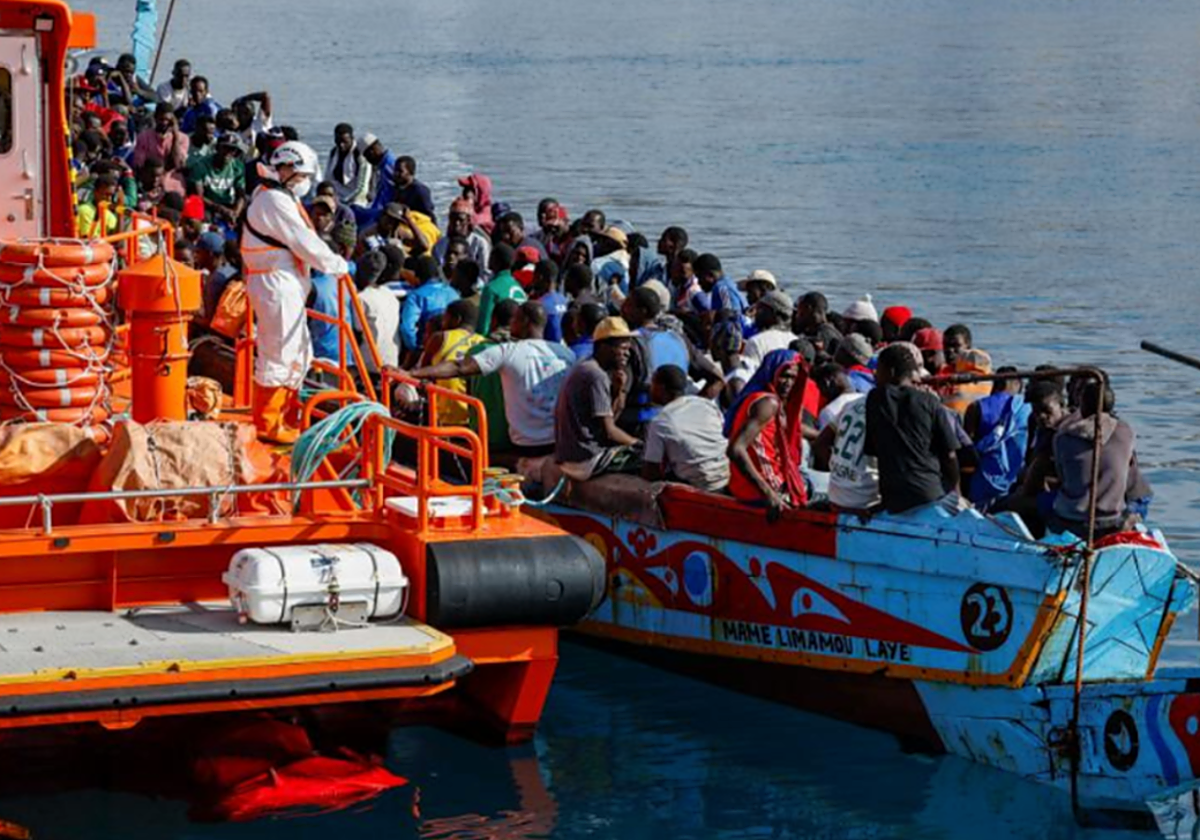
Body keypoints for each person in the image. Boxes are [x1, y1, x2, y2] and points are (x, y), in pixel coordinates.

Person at [241, 140, 348, 444]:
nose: (304, 184)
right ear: (286, 169)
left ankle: (285, 416)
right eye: (301, 177)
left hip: (284, 284)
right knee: (279, 353)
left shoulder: (278, 196)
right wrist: (336, 264)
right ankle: (267, 422)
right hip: (276, 285)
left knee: (299, 352)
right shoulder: (273, 200)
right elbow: (304, 241)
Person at [409, 302, 574, 456]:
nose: (511, 325)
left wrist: (412, 374)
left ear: (524, 321)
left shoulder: (509, 351)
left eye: (514, 319)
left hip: (525, 446)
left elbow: (459, 367)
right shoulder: (566, 354)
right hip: (558, 443)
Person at [864, 343, 961, 514]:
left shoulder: (874, 399)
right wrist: (953, 491)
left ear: (891, 372)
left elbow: (877, 453)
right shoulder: (930, 402)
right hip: (930, 495)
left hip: (893, 500)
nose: (874, 374)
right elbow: (950, 456)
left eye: (878, 370)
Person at [1050, 382, 1151, 538]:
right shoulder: (1126, 431)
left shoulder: (1063, 436)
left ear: (1082, 405)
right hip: (1114, 518)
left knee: (1040, 502)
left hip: (1073, 520)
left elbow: (1062, 476)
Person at [619, 287, 724, 431]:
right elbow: (717, 379)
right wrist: (693, 408)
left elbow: (619, 394)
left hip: (640, 425)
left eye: (628, 304)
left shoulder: (630, 344)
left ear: (642, 311)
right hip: (677, 421)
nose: (622, 308)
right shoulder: (678, 338)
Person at [555, 317, 641, 481]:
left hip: (574, 456)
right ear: (603, 347)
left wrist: (618, 390)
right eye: (622, 348)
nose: (627, 354)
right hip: (586, 459)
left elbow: (610, 421)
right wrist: (638, 444)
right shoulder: (595, 375)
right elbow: (610, 432)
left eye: (628, 349)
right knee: (648, 460)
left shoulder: (587, 367)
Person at [724, 349, 809, 516]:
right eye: (784, 376)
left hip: (750, 484)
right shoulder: (768, 402)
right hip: (761, 489)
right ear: (772, 372)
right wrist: (769, 493)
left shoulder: (766, 399)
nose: (788, 383)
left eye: (793, 378)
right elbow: (735, 449)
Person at [642, 364, 730, 492]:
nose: (650, 388)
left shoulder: (661, 422)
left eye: (653, 383)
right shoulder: (706, 404)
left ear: (661, 388)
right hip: (727, 476)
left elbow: (650, 473)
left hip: (700, 487)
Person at [963, 368, 1031, 511]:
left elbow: (967, 447)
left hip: (983, 478)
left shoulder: (976, 407)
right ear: (1017, 384)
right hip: (1014, 477)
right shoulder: (1027, 408)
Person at [418, 300, 486, 427]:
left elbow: (425, 370)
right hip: (475, 415)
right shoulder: (483, 341)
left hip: (447, 415)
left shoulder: (440, 337)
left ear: (457, 319)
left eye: (445, 318)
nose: (443, 322)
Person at [399, 254, 459, 358]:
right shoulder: (453, 293)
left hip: (428, 349)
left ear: (417, 276)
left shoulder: (417, 296)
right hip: (452, 348)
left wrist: (415, 348)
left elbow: (407, 328)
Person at [353, 250, 401, 372]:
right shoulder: (390, 294)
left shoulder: (361, 298)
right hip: (392, 361)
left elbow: (356, 334)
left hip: (370, 365)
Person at [187, 133, 246, 225]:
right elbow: (199, 196)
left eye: (232, 150)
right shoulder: (201, 165)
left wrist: (235, 213)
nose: (228, 153)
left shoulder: (238, 166)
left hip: (228, 205)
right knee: (199, 213)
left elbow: (241, 195)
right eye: (225, 148)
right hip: (208, 205)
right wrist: (220, 209)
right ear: (217, 148)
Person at [132, 103, 189, 193]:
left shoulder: (183, 139)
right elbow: (139, 165)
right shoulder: (144, 137)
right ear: (155, 117)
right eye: (161, 119)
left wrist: (175, 137)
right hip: (150, 183)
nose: (164, 123)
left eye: (167, 120)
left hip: (173, 184)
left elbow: (176, 163)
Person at [741, 290, 798, 376]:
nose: (755, 314)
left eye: (760, 309)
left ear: (773, 314)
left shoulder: (756, 343)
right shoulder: (795, 340)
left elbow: (748, 377)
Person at [476, 244, 528, 337]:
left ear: (496, 260)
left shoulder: (491, 288)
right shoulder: (519, 288)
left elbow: (483, 326)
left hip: (497, 340)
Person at [433, 198, 492, 280]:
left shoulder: (479, 243)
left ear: (468, 221)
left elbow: (484, 272)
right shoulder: (441, 244)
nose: (457, 223)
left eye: (461, 220)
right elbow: (437, 270)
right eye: (453, 219)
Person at [693, 253, 745, 326]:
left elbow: (730, 316)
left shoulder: (721, 288)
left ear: (710, 275)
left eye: (699, 277)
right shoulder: (729, 282)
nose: (698, 282)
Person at [326, 123, 372, 207]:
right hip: (336, 196)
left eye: (345, 142)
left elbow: (362, 188)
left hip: (355, 199)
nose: (341, 145)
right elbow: (328, 178)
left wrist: (345, 202)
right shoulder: (333, 152)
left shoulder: (360, 155)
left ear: (352, 138)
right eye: (338, 141)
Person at [794, 291, 842, 359]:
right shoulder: (833, 332)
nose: (797, 316)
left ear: (808, 309)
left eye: (800, 311)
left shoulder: (821, 337)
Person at [531, 260, 569, 343]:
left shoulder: (540, 305)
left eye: (534, 276)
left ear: (539, 277)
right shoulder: (566, 301)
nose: (532, 280)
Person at [391, 155, 436, 223]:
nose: (396, 174)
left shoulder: (420, 191)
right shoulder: (397, 188)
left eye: (400, 171)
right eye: (395, 170)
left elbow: (429, 217)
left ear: (411, 172)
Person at [76, 172, 119, 237]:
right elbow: (86, 239)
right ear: (95, 192)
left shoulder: (111, 217)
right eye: (106, 195)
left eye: (111, 195)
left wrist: (120, 213)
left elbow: (118, 242)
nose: (109, 199)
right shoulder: (84, 210)